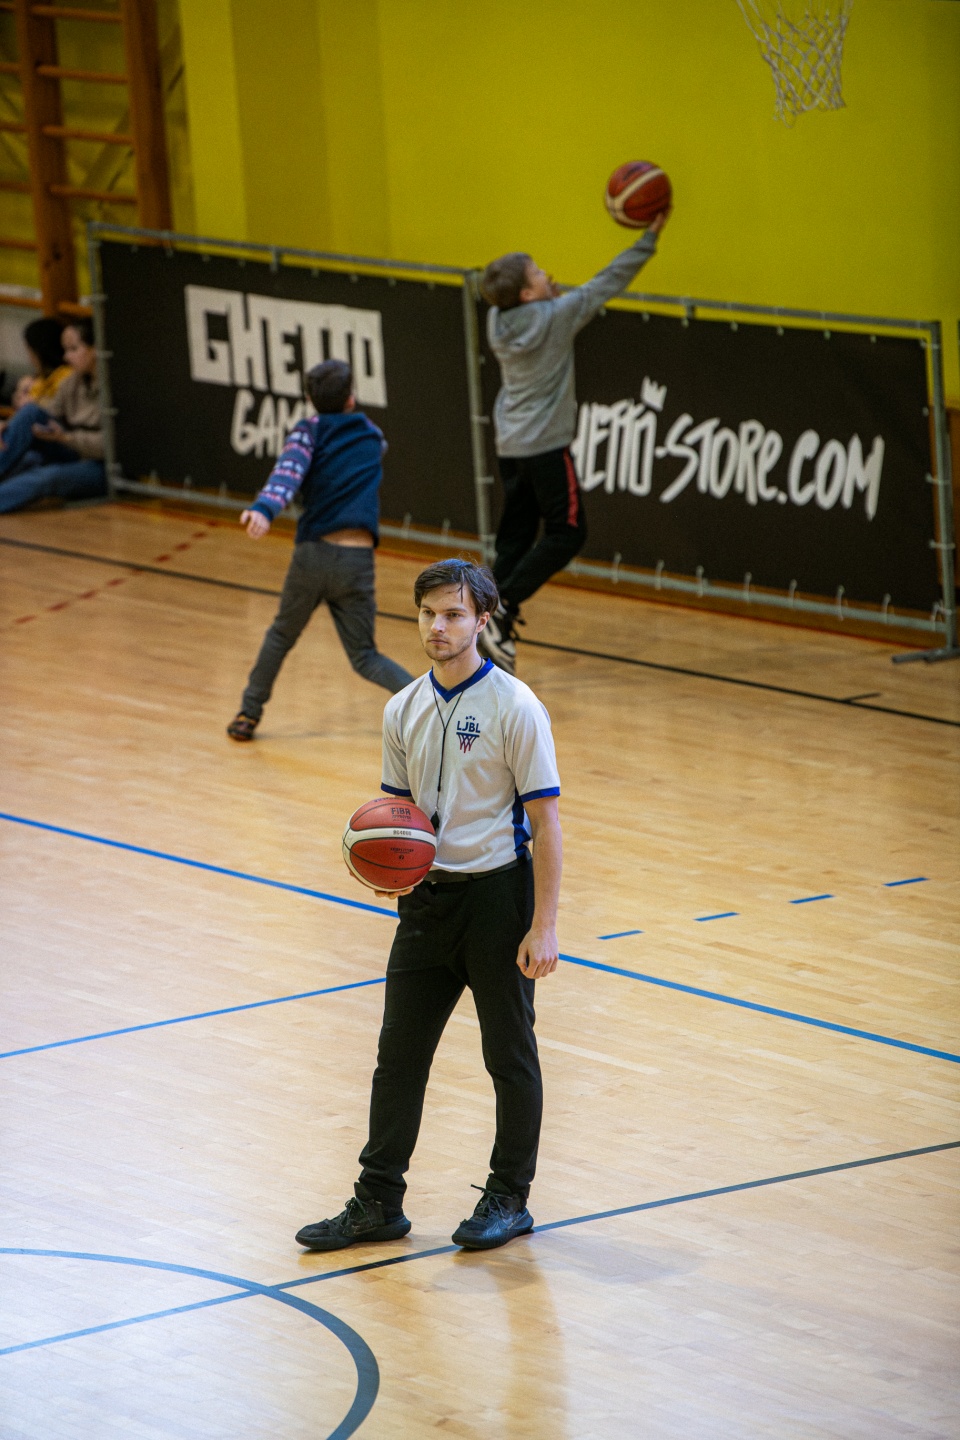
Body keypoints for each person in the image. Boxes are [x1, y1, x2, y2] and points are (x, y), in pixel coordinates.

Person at [295, 557, 562, 1253]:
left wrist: (544, 925)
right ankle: (377, 1202)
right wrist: (390, 871)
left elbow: (547, 824)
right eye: (427, 614)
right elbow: (400, 816)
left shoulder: (516, 707)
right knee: (398, 1058)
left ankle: (509, 1197)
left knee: (509, 1056)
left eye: (452, 614)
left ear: (482, 620)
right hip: (426, 905)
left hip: (499, 901)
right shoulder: (402, 708)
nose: (437, 627)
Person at [478, 211, 670, 672]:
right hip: (545, 446)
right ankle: (503, 607)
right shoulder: (558, 315)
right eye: (538, 274)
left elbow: (532, 305)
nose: (547, 274)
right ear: (528, 293)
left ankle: (481, 623)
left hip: (510, 445)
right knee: (568, 532)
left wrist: (545, 294)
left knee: (515, 538)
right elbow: (609, 281)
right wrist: (649, 237)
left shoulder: (496, 320)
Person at [226, 358, 414, 741]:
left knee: (281, 637)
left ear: (310, 400)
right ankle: (432, 707)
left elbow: (288, 473)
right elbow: (376, 446)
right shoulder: (371, 437)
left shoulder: (308, 431)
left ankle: (248, 714)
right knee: (365, 657)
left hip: (314, 555)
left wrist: (264, 509)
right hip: (357, 562)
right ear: (351, 397)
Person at [0, 319, 107, 514]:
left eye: (74, 349)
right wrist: (8, 425)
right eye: (65, 350)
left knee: (46, 476)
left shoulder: (117, 389)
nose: (66, 357)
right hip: (73, 450)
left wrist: (66, 438)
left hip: (101, 467)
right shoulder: (72, 381)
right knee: (30, 416)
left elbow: (111, 447)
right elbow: (43, 413)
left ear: (96, 349)